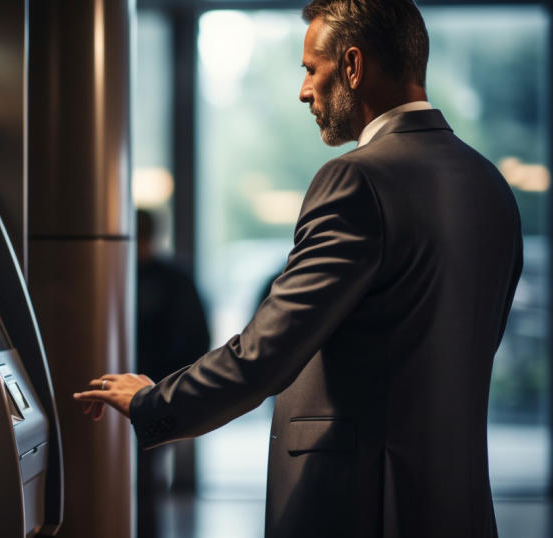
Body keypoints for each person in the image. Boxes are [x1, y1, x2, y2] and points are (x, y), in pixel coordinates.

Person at [74, 1, 523, 537]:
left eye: (312, 68)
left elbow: (266, 353)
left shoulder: (356, 181)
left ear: (353, 67)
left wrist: (154, 402)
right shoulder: (491, 186)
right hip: (460, 505)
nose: (304, 91)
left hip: (358, 508)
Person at [133, 209, 211, 537]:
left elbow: (195, 343)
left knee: (143, 482)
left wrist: (165, 394)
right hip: (132, 393)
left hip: (153, 394)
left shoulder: (173, 280)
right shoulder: (118, 278)